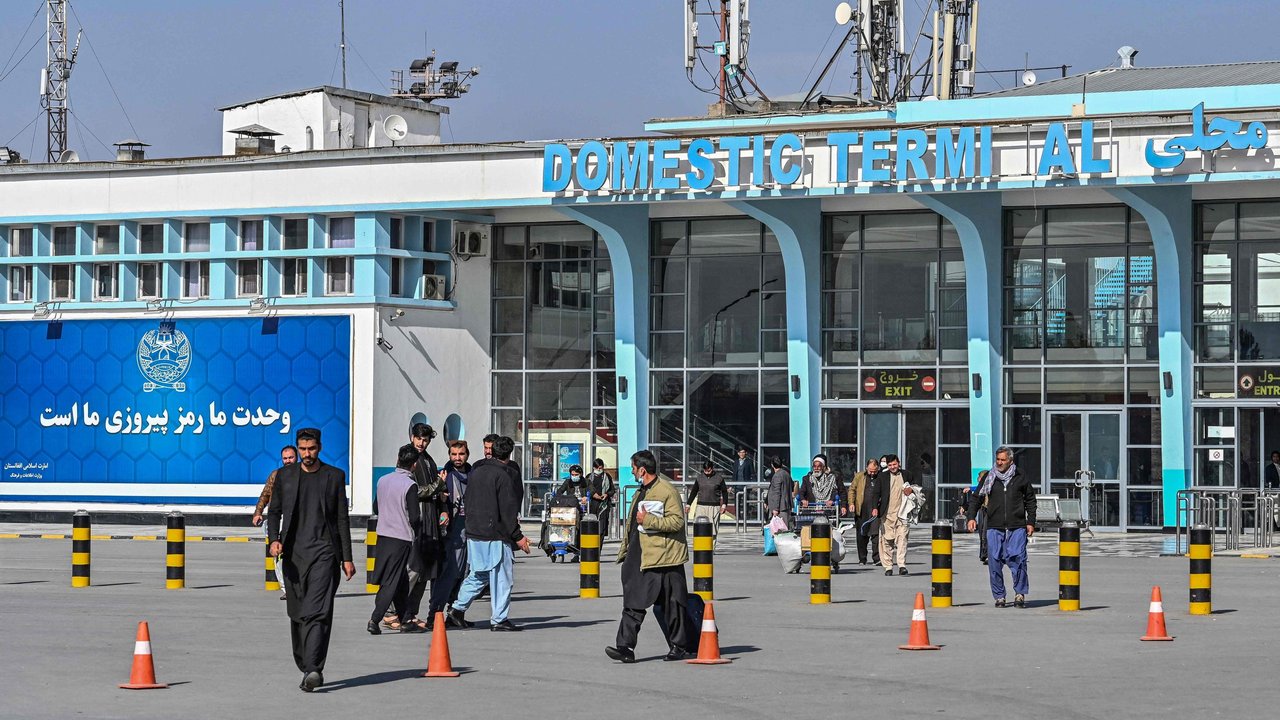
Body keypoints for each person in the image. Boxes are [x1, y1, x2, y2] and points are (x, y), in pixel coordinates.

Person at [266, 428, 354, 693]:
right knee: (298, 614)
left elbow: (341, 519)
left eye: (312, 449)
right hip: (293, 555)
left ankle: (314, 668)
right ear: (297, 448)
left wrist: (347, 558)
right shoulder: (285, 476)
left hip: (325, 554)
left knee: (318, 612)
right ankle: (306, 663)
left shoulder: (334, 477)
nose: (307, 454)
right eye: (303, 449)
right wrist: (274, 540)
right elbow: (274, 512)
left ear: (320, 447)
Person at [606, 449, 692, 664]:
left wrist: (649, 520)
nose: (632, 472)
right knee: (633, 601)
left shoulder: (666, 491)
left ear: (642, 470)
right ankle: (625, 647)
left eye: (633, 469)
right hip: (640, 555)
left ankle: (679, 646)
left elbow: (677, 522)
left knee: (672, 604)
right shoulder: (640, 491)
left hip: (664, 558)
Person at [447, 435, 531, 632]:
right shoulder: (505, 475)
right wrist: (517, 536)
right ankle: (499, 618)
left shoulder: (476, 471)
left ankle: (456, 610)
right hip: (495, 534)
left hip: (474, 531)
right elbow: (508, 509)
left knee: (479, 574)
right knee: (502, 576)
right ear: (508, 454)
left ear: (492, 451)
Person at [965, 446, 1037, 608]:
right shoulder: (990, 477)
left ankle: (1019, 593)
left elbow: (1030, 500)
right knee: (994, 561)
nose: (999, 463)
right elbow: (976, 498)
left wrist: (1031, 522)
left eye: (1003, 460)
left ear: (1010, 460)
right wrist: (971, 517)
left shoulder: (1020, 476)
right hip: (994, 526)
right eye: (997, 459)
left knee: (1018, 559)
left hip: (1017, 526)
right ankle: (999, 596)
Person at [368, 446, 426, 635]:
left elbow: (376, 508)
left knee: (400, 580)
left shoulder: (383, 480)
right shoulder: (410, 485)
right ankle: (375, 619)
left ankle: (406, 619)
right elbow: (415, 517)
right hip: (401, 538)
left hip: (383, 536)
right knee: (391, 582)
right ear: (414, 464)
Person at [400, 423, 445, 631]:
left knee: (424, 573)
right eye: (419, 438)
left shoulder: (428, 460)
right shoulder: (408, 458)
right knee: (413, 571)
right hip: (414, 522)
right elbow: (415, 491)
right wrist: (438, 485)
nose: (421, 443)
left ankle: (410, 615)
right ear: (412, 437)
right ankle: (396, 612)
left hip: (430, 522)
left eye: (425, 440)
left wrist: (441, 502)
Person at [428, 440, 471, 618]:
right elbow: (434, 500)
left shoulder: (473, 475)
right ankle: (435, 613)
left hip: (469, 531)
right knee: (448, 573)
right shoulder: (444, 476)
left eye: (460, 454)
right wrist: (442, 502)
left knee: (464, 574)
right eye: (454, 454)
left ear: (467, 454)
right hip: (451, 534)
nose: (457, 458)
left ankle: (454, 613)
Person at [253, 445, 297, 599]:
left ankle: (299, 587)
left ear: (296, 457)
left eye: (291, 457)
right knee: (278, 554)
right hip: (278, 518)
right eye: (285, 458)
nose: (288, 461)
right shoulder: (276, 475)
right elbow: (265, 494)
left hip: (297, 520)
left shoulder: (303, 474)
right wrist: (258, 512)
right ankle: (286, 588)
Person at [870, 454, 915, 576]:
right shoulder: (882, 477)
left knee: (902, 539)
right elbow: (876, 494)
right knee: (886, 541)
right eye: (890, 465)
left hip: (903, 514)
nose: (892, 467)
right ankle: (888, 566)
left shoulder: (907, 475)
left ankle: (901, 565)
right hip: (887, 514)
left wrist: (911, 489)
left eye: (894, 464)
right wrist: (874, 508)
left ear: (899, 463)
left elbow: (916, 487)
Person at [686, 460, 730, 542]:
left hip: (714, 506)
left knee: (713, 529)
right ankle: (700, 546)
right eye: (705, 470)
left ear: (712, 468)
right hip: (701, 506)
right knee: (699, 527)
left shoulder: (719, 478)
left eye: (708, 470)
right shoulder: (699, 478)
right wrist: (688, 504)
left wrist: (724, 505)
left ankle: (711, 549)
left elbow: (724, 492)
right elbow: (694, 491)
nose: (707, 472)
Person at [849, 458, 880, 565]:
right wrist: (851, 503)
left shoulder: (881, 477)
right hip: (862, 510)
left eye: (874, 471)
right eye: (870, 471)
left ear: (878, 468)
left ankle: (877, 558)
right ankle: (862, 558)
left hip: (876, 511)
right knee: (862, 535)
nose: (872, 473)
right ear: (866, 468)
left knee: (876, 535)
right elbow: (852, 490)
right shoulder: (859, 476)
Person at [558, 464, 591, 561]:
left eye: (576, 474)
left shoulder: (586, 482)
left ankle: (578, 552)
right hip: (570, 510)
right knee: (567, 530)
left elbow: (592, 490)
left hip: (582, 509)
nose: (574, 476)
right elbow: (560, 491)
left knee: (580, 530)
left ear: (580, 474)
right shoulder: (568, 482)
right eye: (573, 474)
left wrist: (587, 497)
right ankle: (565, 548)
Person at [587, 458, 616, 539]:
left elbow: (612, 490)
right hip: (592, 504)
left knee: (602, 527)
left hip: (604, 505)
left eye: (600, 468)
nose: (599, 470)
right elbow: (586, 489)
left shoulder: (607, 477)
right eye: (597, 468)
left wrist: (607, 494)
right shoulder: (589, 477)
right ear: (593, 468)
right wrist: (593, 494)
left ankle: (599, 546)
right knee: (592, 526)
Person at [765, 456, 795, 531]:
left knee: (780, 531)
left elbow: (777, 493)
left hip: (780, 508)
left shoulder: (777, 476)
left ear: (772, 465)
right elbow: (792, 485)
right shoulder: (786, 474)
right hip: (786, 505)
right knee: (785, 528)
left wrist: (775, 509)